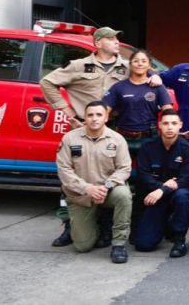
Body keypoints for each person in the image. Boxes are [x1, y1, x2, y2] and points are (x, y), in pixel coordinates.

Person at [41, 26, 130, 247]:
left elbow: (146, 77)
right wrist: (66, 110)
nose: (116, 42)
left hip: (114, 127)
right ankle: (69, 227)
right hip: (81, 125)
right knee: (71, 177)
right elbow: (47, 82)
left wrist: (154, 79)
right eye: (111, 39)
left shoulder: (126, 67)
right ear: (98, 43)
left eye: (117, 38)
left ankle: (106, 229)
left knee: (110, 175)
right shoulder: (80, 65)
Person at [55, 101, 133, 263]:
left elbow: (124, 168)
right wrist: (87, 189)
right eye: (90, 115)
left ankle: (118, 244)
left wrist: (106, 186)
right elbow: (64, 170)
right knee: (82, 246)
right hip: (81, 196)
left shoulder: (117, 139)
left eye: (99, 115)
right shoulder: (70, 138)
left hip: (108, 191)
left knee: (124, 195)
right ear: (85, 117)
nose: (94, 118)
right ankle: (96, 223)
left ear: (106, 117)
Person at [133, 109, 189, 257]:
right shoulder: (147, 147)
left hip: (174, 195)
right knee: (143, 245)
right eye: (166, 123)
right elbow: (144, 176)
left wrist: (163, 189)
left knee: (183, 196)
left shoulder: (188, 149)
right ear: (159, 125)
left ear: (180, 125)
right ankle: (165, 226)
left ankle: (179, 240)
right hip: (155, 197)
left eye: (174, 123)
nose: (169, 127)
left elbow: (185, 179)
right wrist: (162, 187)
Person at [103, 48, 174, 157]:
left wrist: (172, 130)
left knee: (149, 172)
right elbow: (104, 111)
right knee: (123, 171)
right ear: (130, 65)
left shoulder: (157, 87)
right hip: (122, 138)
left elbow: (168, 112)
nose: (139, 64)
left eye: (144, 61)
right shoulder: (118, 87)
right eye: (136, 61)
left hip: (149, 138)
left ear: (149, 65)